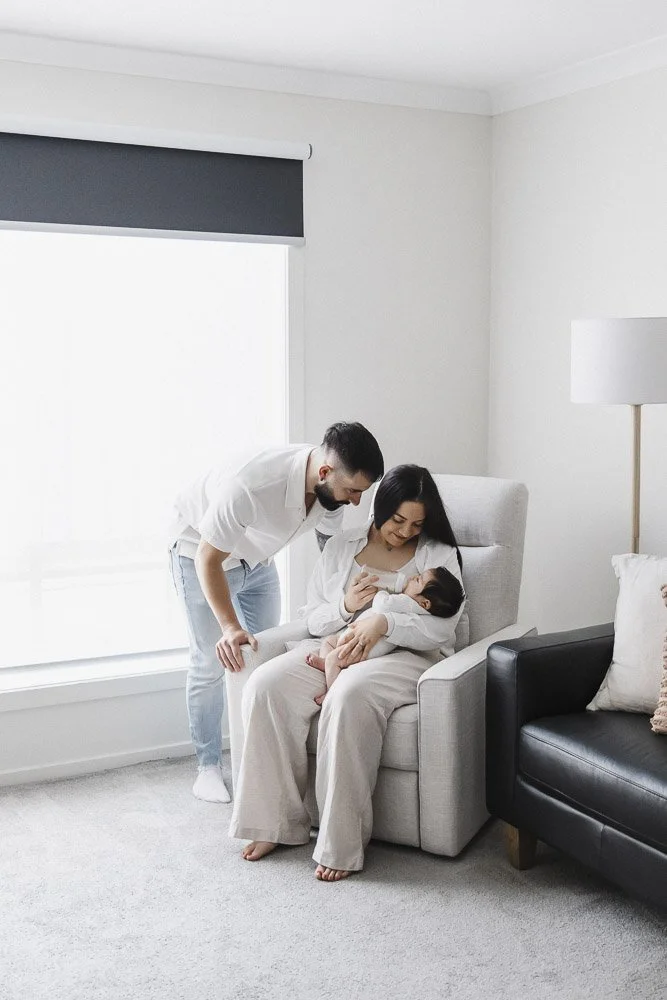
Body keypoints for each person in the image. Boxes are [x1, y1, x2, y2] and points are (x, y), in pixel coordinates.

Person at [228, 464, 465, 880]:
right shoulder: (340, 547)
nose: (407, 531)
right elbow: (313, 619)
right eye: (397, 520)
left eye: (417, 523)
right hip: (338, 642)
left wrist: (384, 622)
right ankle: (276, 824)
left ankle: (340, 843)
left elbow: (442, 625)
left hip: (405, 657)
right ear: (379, 508)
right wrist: (347, 607)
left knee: (348, 693)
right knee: (266, 685)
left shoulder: (438, 555)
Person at [168, 422, 384, 804]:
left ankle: (256, 757)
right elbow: (208, 556)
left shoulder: (328, 490)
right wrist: (229, 626)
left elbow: (330, 547)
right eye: (352, 491)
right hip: (200, 554)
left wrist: (344, 600)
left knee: (263, 656)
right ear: (324, 473)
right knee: (215, 658)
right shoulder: (250, 484)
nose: (355, 502)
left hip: (258, 559)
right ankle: (208, 767)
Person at [306, 567, 465, 704]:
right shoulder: (414, 607)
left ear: (425, 603)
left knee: (334, 658)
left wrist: (382, 591)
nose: (412, 577)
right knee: (328, 642)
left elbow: (382, 604)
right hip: (356, 636)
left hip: (361, 646)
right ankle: (326, 663)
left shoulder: (408, 603)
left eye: (418, 580)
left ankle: (331, 693)